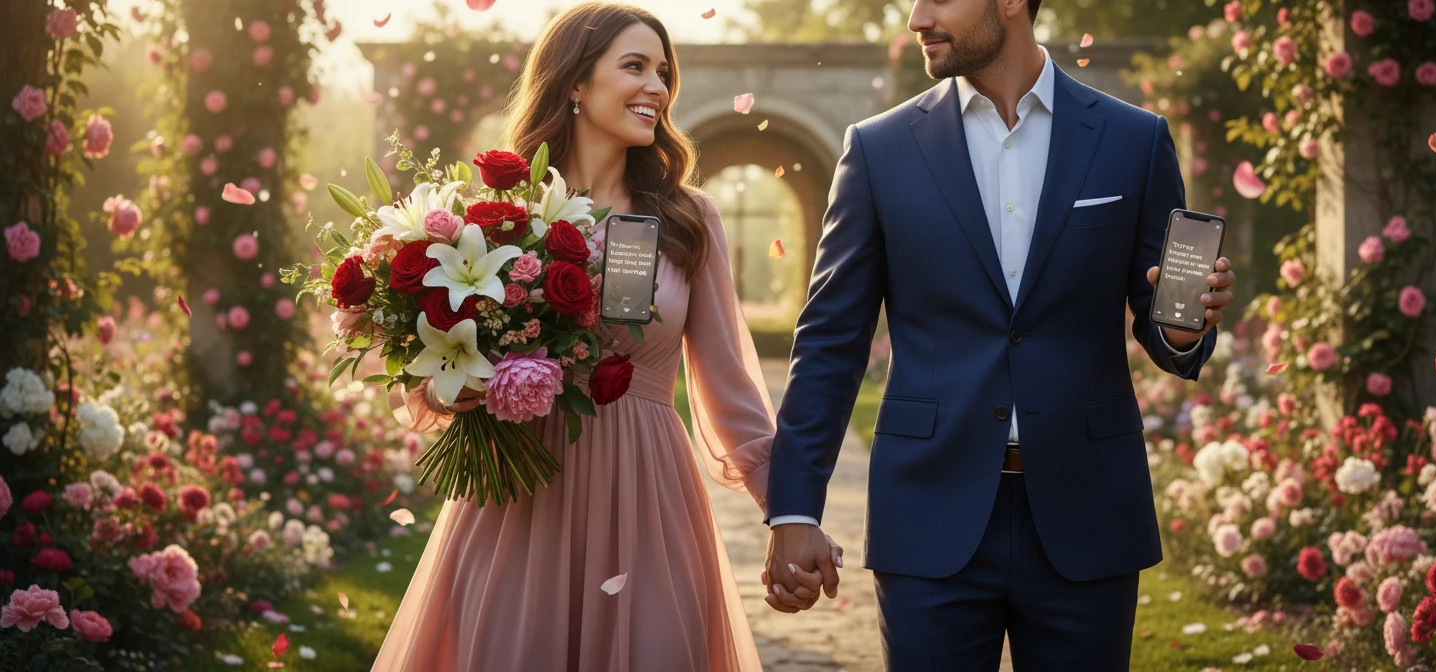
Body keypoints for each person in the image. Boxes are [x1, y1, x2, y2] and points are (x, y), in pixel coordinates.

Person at [760, 0, 1238, 669]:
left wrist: (1186, 330)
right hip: (927, 513)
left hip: (1089, 511)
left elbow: (1163, 324)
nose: (917, 18)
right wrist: (792, 511)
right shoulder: (877, 149)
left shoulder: (1133, 138)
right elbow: (830, 343)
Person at [373, 4, 840, 670]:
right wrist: (454, 390)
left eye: (663, 72)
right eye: (635, 66)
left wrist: (788, 514)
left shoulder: (688, 218)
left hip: (645, 495)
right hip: (519, 496)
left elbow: (730, 388)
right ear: (574, 81)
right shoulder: (494, 218)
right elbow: (425, 366)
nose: (657, 86)